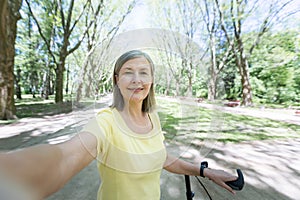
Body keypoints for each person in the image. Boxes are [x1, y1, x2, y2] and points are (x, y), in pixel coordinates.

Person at [0, 50, 238, 200]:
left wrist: (204, 171)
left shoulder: (152, 117)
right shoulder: (106, 122)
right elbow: (65, 156)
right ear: (117, 80)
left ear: (151, 80)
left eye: (143, 72)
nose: (137, 79)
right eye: (128, 72)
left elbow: (162, 158)